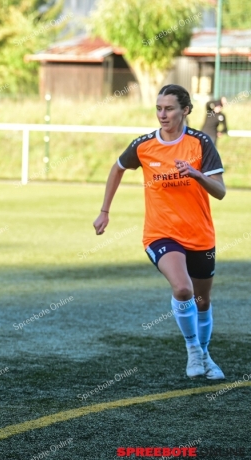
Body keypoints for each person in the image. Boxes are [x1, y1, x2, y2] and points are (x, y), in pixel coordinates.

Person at [93, 84, 226, 380]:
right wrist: (105, 211)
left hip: (200, 235)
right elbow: (117, 168)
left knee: (203, 302)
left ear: (185, 111)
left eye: (169, 109)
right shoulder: (143, 145)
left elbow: (220, 192)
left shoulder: (201, 143)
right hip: (161, 233)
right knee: (183, 289)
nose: (162, 115)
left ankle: (205, 355)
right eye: (158, 108)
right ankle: (193, 350)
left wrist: (196, 174)